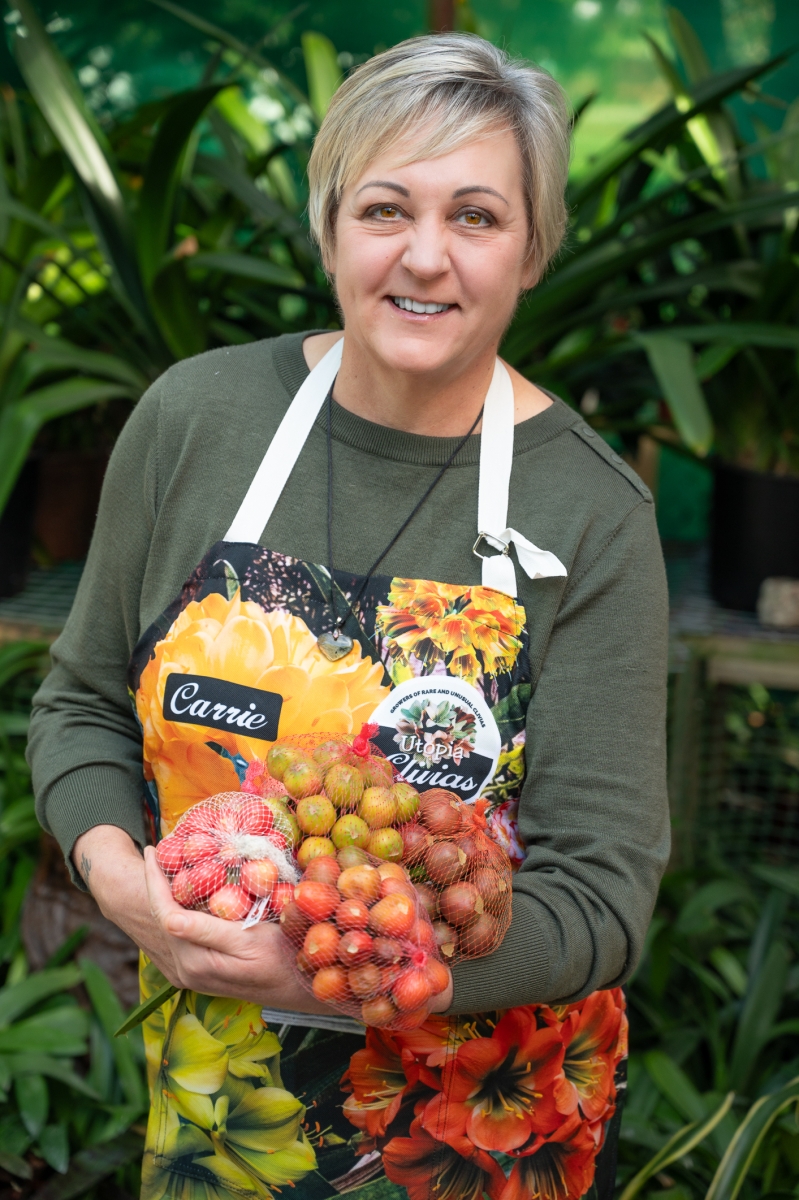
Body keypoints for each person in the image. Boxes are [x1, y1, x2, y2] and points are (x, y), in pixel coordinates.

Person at [28, 32, 669, 1200]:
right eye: (384, 208)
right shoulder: (196, 421)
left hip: (486, 1127)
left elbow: (602, 890)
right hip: (227, 1099)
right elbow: (81, 701)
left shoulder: (589, 511)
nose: (425, 256)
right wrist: (122, 884)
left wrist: (362, 974)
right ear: (328, 229)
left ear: (531, 250)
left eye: (475, 215)